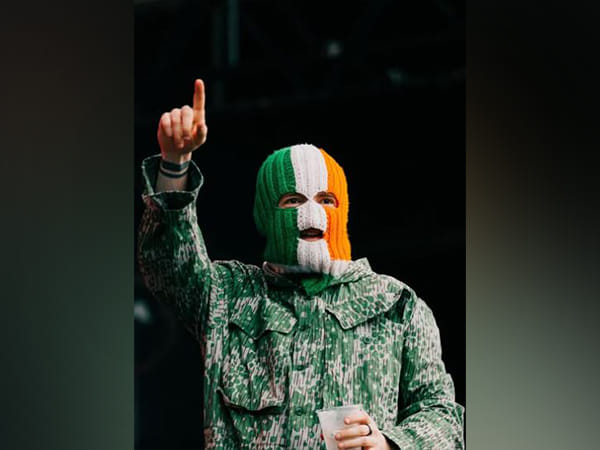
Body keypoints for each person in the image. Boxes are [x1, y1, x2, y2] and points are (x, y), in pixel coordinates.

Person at [138, 79, 465, 449]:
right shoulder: (228, 297)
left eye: (326, 200)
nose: (312, 214)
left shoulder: (395, 304)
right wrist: (174, 166)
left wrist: (389, 444)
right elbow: (169, 267)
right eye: (292, 201)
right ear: (266, 216)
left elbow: (442, 415)